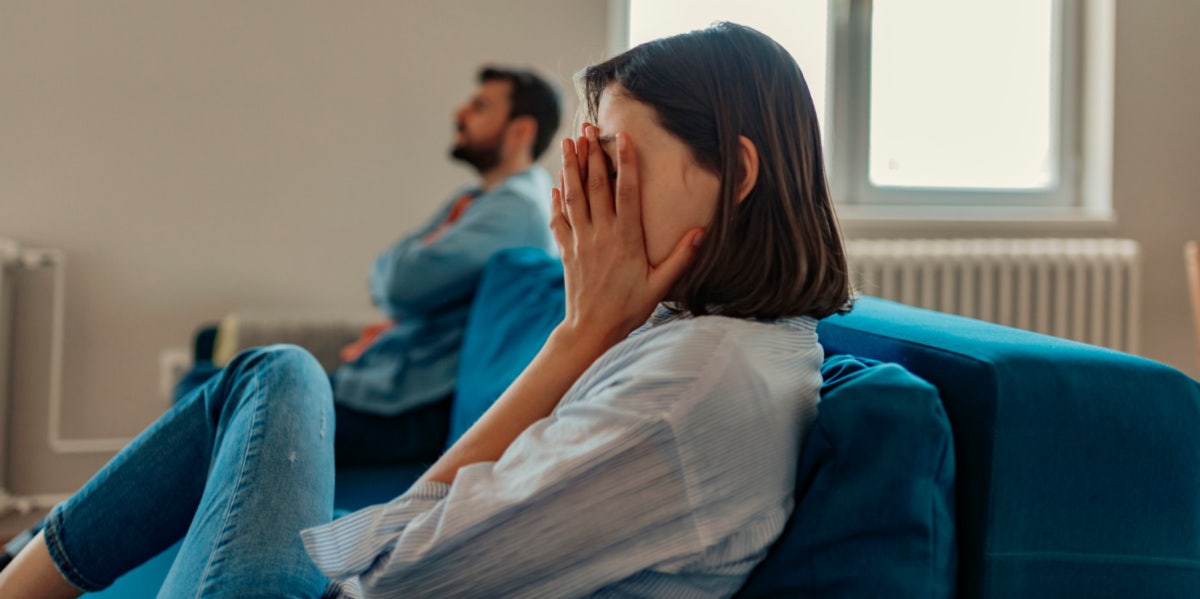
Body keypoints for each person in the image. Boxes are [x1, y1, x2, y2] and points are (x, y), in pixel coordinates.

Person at [0, 22, 852, 598]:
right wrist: (588, 333)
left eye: (616, 166)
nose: (591, 197)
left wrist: (578, 336)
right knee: (273, 381)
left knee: (275, 376)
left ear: (736, 176)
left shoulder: (693, 384)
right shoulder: (711, 340)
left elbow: (386, 566)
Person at [185, 65, 563, 466]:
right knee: (209, 382)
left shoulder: (516, 211)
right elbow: (386, 276)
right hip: (387, 387)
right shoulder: (475, 201)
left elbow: (399, 282)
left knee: (208, 395)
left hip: (408, 406)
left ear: (520, 131)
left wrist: (405, 283)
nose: (459, 113)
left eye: (480, 107)